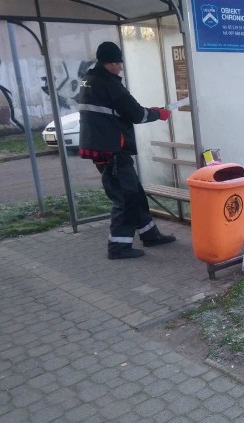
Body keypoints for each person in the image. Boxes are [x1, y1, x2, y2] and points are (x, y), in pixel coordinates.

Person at [78, 41, 176, 260]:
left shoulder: (89, 80)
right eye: (119, 63)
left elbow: (118, 111)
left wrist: (147, 111)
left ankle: (150, 234)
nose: (121, 67)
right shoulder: (109, 83)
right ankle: (118, 247)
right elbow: (134, 113)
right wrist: (158, 114)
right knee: (125, 196)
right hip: (112, 149)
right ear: (110, 63)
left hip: (101, 148)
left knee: (134, 192)